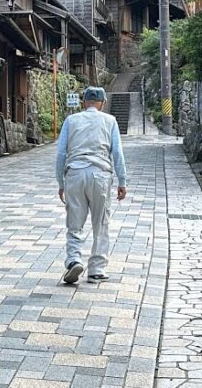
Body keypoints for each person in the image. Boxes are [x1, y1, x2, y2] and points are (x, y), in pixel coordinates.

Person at [55, 86, 127, 285]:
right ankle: (96, 269)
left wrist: (61, 182)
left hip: (75, 173)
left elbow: (61, 154)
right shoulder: (110, 121)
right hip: (100, 175)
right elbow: (118, 154)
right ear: (103, 103)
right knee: (101, 223)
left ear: (83, 102)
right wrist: (122, 181)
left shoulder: (71, 121)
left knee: (74, 222)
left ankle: (73, 260)